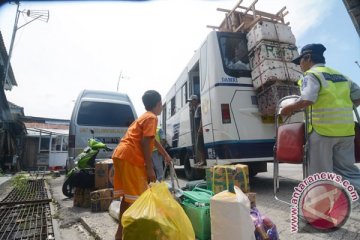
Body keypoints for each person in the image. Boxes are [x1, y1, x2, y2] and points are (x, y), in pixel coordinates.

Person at [280, 43, 360, 193]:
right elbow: (358, 97)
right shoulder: (341, 76)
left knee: (321, 175)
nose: (300, 66)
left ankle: (319, 210)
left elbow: (307, 99)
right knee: (349, 172)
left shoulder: (311, 75)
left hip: (322, 131)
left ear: (308, 57)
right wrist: (345, 107)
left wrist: (287, 108)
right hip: (346, 131)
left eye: (300, 62)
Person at [112, 90, 172, 240]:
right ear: (158, 105)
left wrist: (165, 154)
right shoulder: (152, 118)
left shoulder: (143, 117)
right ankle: (133, 234)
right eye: (162, 105)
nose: (162, 108)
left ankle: (120, 234)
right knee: (136, 199)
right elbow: (146, 142)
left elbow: (152, 140)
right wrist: (149, 167)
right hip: (131, 158)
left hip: (121, 155)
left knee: (128, 198)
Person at [189, 94, 206, 166]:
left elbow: (203, 117)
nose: (190, 103)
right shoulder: (196, 108)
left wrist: (200, 128)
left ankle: (203, 161)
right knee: (199, 145)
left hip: (201, 130)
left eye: (191, 101)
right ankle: (202, 160)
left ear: (195, 100)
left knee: (199, 145)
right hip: (199, 130)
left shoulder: (199, 107)